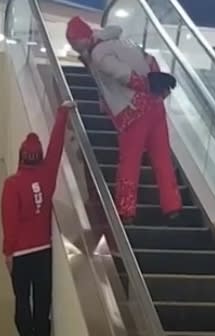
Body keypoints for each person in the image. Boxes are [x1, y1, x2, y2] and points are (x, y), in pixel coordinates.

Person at [65, 16, 182, 223]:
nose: (74, 47)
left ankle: (126, 209)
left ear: (81, 39)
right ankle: (172, 205)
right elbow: (150, 60)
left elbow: (123, 75)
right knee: (162, 156)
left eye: (74, 43)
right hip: (155, 105)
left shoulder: (99, 53)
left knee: (130, 160)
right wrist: (157, 86)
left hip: (133, 109)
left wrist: (145, 84)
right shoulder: (122, 41)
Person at [1, 101, 75, 336]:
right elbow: (56, 146)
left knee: (22, 298)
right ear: (39, 156)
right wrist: (62, 112)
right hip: (43, 250)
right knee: (42, 298)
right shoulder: (47, 175)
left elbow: (9, 222)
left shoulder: (12, 184)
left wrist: (8, 252)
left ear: (21, 156)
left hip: (20, 253)